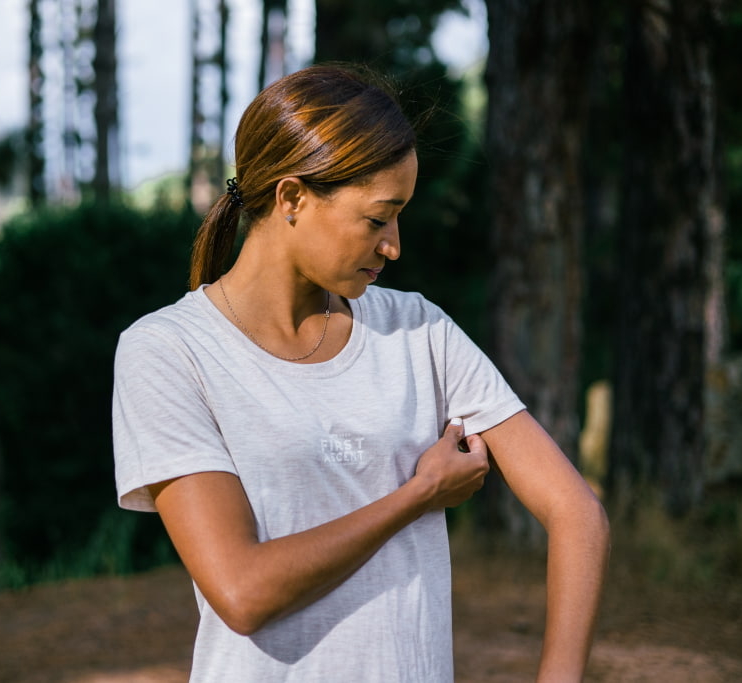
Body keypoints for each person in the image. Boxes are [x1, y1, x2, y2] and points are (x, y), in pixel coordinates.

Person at [112, 63, 609, 682]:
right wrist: (418, 496)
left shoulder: (418, 330)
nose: (394, 245)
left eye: (400, 218)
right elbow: (242, 592)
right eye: (377, 219)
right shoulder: (168, 350)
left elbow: (576, 512)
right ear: (292, 197)